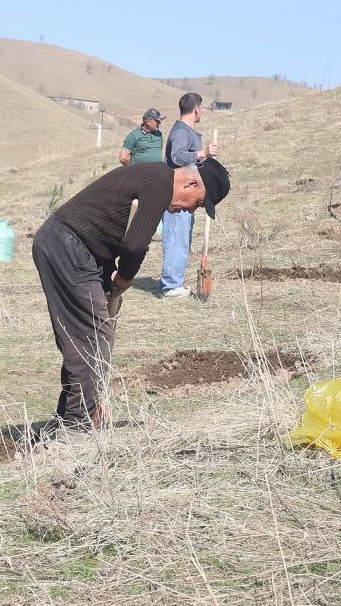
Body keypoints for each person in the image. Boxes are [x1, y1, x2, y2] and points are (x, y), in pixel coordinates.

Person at [32, 159, 230, 434]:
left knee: (88, 334)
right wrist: (125, 277)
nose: (188, 210)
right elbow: (135, 245)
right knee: (91, 335)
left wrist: (111, 277)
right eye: (197, 204)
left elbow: (116, 233)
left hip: (76, 249)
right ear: (191, 183)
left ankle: (72, 415)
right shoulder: (160, 182)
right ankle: (76, 425)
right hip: (67, 246)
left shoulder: (155, 177)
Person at [159, 93, 221, 298]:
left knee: (181, 238)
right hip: (177, 197)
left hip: (186, 197)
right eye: (201, 108)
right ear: (196, 109)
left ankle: (174, 282)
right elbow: (176, 156)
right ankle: (170, 286)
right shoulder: (181, 132)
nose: (201, 111)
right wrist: (202, 153)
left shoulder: (186, 131)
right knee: (176, 238)